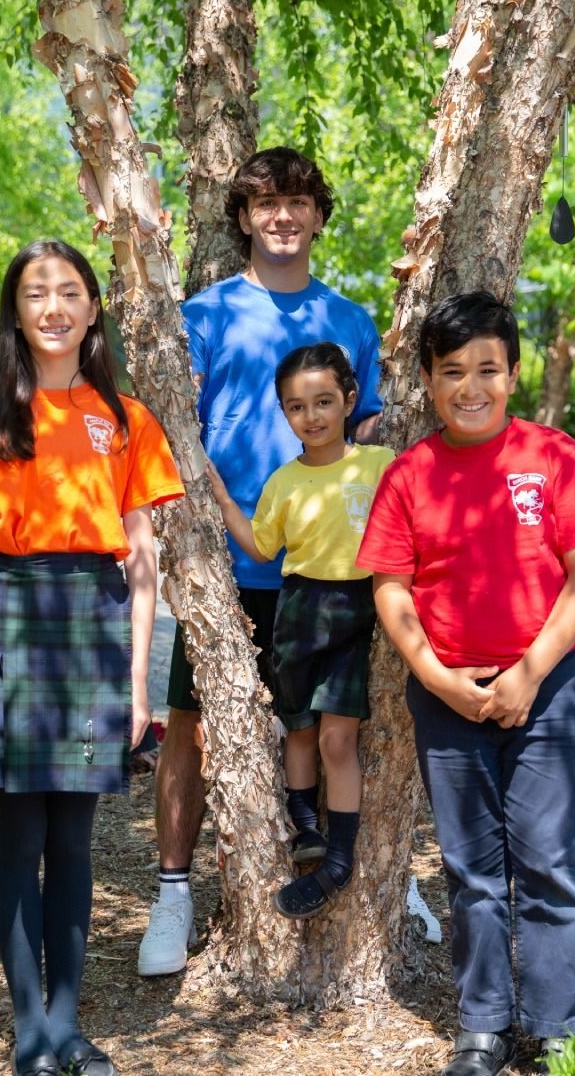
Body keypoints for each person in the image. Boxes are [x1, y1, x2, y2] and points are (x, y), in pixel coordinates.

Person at [0, 240, 184, 1076]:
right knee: (17, 838)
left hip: (97, 624)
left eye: (70, 291)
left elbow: (144, 558)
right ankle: (29, 1032)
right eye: (36, 293)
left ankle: (68, 1026)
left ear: (93, 309)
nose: (54, 307)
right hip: (12, 617)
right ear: (16, 310)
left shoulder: (126, 418)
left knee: (74, 843)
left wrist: (138, 679)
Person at [356, 292, 575, 1076]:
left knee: (552, 863)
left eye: (487, 369)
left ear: (511, 374)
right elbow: (391, 589)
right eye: (452, 372)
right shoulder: (409, 476)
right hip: (449, 696)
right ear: (428, 381)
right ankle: (483, 1025)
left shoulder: (554, 457)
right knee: (473, 871)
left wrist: (529, 673)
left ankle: (559, 1028)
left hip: (551, 690)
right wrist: (438, 680)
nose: (470, 387)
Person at [137, 146, 385, 975]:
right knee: (192, 726)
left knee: (345, 727)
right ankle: (174, 893)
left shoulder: (351, 321)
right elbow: (173, 426)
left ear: (317, 217)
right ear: (243, 218)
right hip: (230, 571)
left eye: (298, 202)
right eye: (266, 204)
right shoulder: (204, 315)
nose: (283, 216)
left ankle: (382, 878)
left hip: (333, 577)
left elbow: (371, 441)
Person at [207, 341, 395, 917]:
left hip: (356, 613)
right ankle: (306, 826)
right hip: (297, 611)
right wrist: (220, 497)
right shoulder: (283, 482)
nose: (311, 416)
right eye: (296, 406)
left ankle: (339, 859)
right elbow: (262, 546)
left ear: (349, 400)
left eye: (323, 402)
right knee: (300, 730)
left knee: (338, 740)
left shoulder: (379, 464)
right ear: (284, 412)